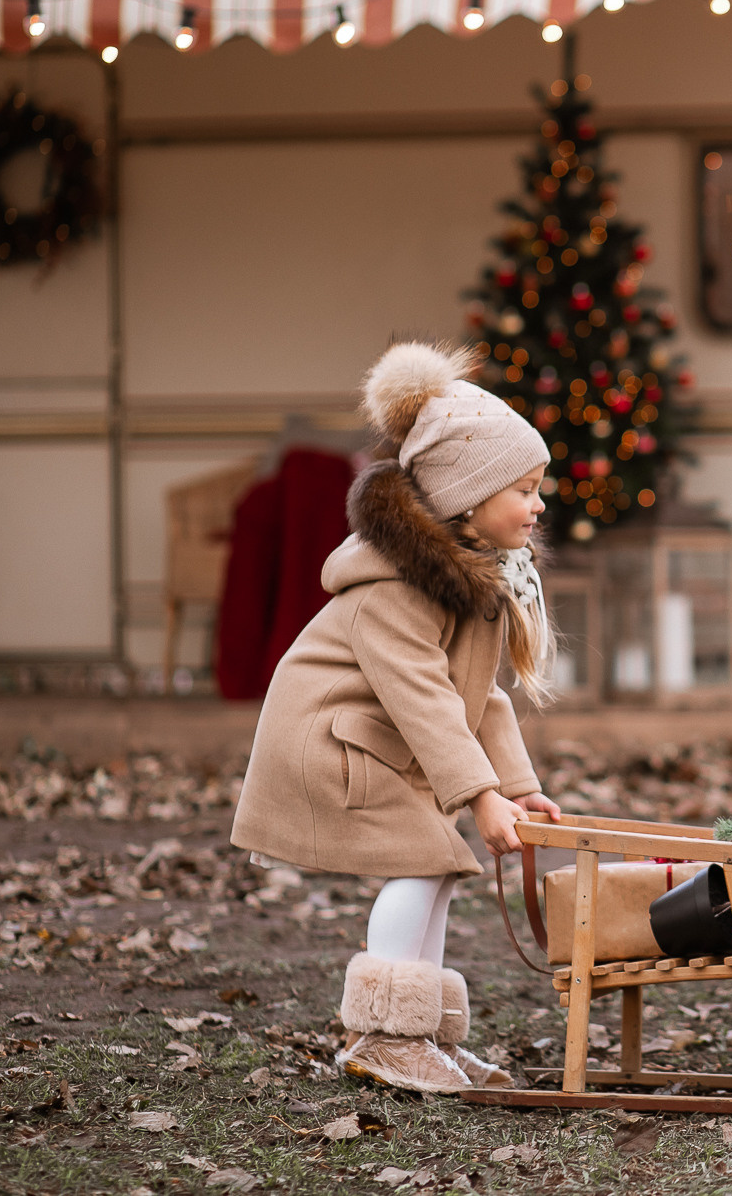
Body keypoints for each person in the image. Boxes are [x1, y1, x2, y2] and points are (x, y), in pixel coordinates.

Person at [231, 341, 563, 1094]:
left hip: (374, 740)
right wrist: (478, 795)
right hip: (327, 741)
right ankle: (383, 1035)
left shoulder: (470, 576)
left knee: (438, 867)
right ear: (465, 496)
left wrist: (514, 784)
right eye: (525, 488)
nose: (539, 504)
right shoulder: (394, 587)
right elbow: (421, 694)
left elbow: (477, 696)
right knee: (427, 857)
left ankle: (422, 1035)